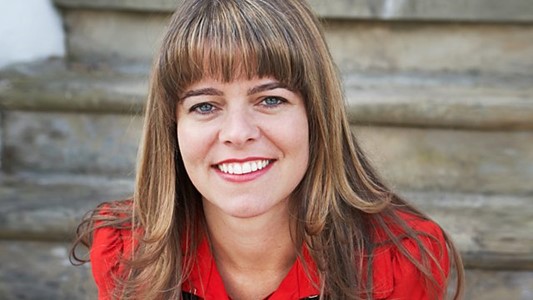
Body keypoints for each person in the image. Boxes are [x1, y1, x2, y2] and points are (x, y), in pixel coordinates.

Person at [71, 0, 465, 299]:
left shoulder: (399, 262)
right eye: (204, 106)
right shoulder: (128, 252)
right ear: (172, 128)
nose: (238, 133)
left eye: (271, 100)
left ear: (316, 115)